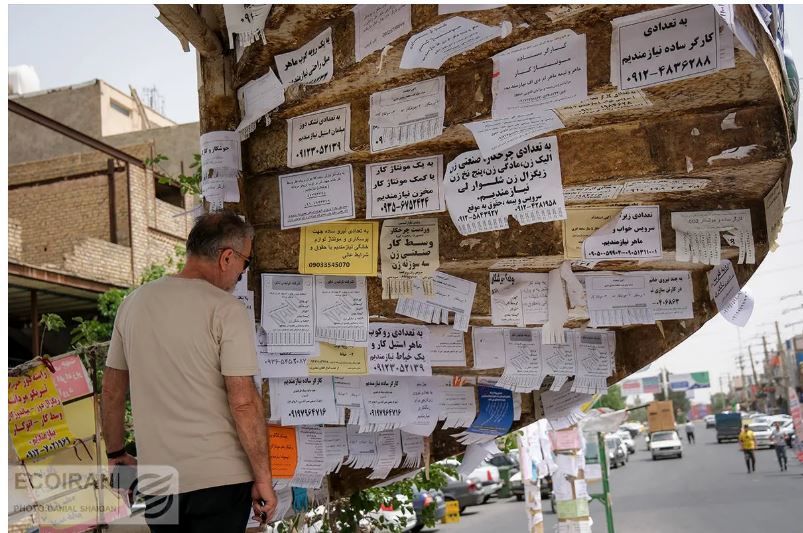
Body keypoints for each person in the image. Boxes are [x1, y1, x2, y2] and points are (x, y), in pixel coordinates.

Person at [102, 212, 277, 532]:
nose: (241, 273)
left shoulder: (133, 304)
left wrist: (116, 454)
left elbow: (112, 391)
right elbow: (243, 402)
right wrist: (263, 478)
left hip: (158, 485)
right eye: (245, 263)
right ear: (227, 257)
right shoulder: (227, 310)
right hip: (221, 482)